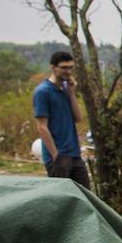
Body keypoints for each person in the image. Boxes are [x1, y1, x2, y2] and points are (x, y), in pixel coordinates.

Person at [32, 51, 90, 188]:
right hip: (58, 156)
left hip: (74, 154)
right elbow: (41, 127)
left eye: (70, 68)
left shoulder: (66, 89)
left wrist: (71, 93)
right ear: (53, 67)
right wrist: (55, 155)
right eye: (64, 67)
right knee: (62, 198)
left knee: (85, 195)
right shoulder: (43, 91)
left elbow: (78, 117)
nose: (68, 71)